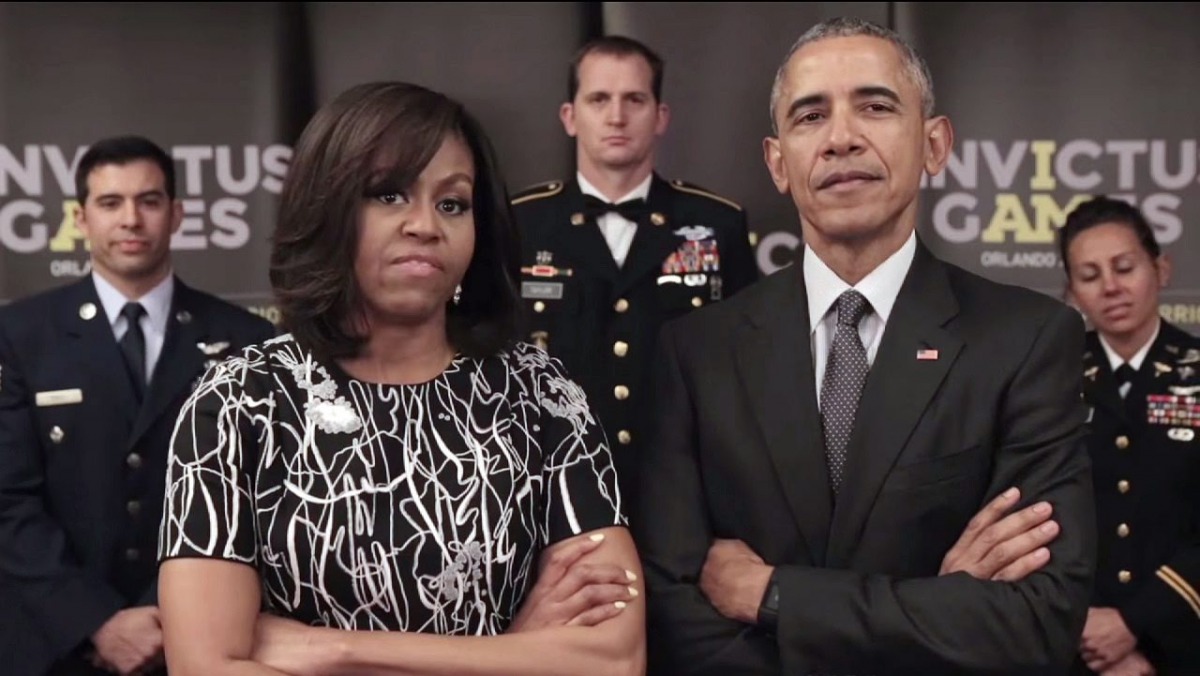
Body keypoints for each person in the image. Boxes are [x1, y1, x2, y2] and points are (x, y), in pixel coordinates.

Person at [634, 17, 1097, 676]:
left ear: (934, 144)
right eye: (810, 116)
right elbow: (673, 616)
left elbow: (1036, 621)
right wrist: (937, 605)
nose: (841, 138)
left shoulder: (1027, 339)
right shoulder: (696, 354)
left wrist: (774, 596)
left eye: (876, 108)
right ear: (778, 163)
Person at [156, 82, 646, 676]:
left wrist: (332, 649)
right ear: (326, 208)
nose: (425, 224)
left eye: (453, 203)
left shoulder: (539, 393)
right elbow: (205, 667)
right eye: (388, 195)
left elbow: (614, 660)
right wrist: (515, 652)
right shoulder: (240, 401)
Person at [0, 135, 276, 676]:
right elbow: (7, 498)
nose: (131, 219)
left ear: (176, 214)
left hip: (197, 642)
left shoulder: (246, 338)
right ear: (80, 218)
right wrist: (95, 621)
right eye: (110, 202)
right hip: (54, 646)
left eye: (149, 201)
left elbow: (256, 500)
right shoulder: (18, 335)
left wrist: (166, 616)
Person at [510, 35, 758, 503]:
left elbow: (750, 372)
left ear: (661, 116)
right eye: (599, 99)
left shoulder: (716, 222)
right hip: (551, 487)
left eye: (634, 100)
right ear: (569, 116)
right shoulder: (519, 223)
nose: (617, 116)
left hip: (684, 491)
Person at [1059, 196, 1200, 676]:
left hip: (1183, 642)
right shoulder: (1047, 378)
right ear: (1071, 292)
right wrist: (1083, 629)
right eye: (1090, 275)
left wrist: (1137, 625)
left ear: (1161, 270)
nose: (1111, 288)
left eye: (1124, 268)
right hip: (1072, 644)